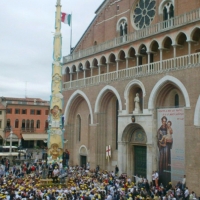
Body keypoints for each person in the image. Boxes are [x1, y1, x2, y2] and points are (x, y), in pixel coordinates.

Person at [157, 116, 173, 186]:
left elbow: (171, 138)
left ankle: (167, 179)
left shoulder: (168, 128)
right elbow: (158, 139)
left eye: (165, 121)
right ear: (161, 121)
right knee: (161, 162)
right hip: (162, 149)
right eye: (163, 121)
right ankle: (161, 179)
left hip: (167, 149)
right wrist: (161, 143)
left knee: (167, 162)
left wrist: (167, 142)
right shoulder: (159, 130)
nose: (164, 122)